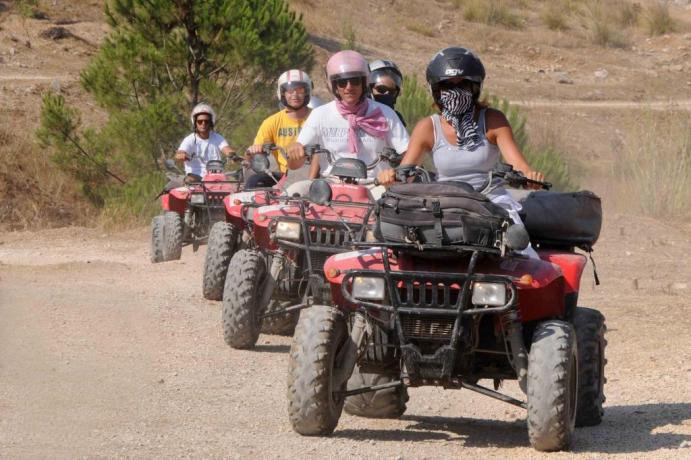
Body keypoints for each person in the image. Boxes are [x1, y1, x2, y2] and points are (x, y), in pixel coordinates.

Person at [376, 46, 544, 257]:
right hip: (445, 205)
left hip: (492, 202)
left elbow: (519, 165)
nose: (455, 92)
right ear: (436, 90)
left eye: (463, 84)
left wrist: (529, 176)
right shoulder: (428, 127)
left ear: (475, 87)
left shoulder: (492, 120)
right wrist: (391, 177)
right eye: (447, 85)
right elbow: (406, 173)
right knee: (391, 255)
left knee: (527, 259)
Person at [286, 50, 409, 197]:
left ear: (364, 82)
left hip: (374, 186)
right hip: (329, 186)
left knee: (390, 208)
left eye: (355, 80)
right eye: (342, 82)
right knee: (292, 194)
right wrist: (295, 151)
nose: (349, 87)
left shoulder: (385, 113)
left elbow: (408, 154)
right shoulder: (320, 114)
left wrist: (393, 174)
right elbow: (294, 165)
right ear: (334, 85)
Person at [246, 69, 320, 187]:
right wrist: (254, 150)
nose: (295, 95)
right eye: (290, 91)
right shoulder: (271, 122)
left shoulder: (319, 117)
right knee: (254, 182)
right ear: (282, 93)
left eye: (300, 90)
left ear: (307, 92)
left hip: (316, 176)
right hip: (284, 176)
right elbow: (250, 157)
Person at [175, 103, 235, 183]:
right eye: (200, 121)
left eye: (206, 121)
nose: (203, 124)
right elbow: (179, 153)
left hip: (216, 176)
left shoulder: (217, 137)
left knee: (234, 182)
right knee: (189, 181)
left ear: (210, 123)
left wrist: (232, 155)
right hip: (195, 177)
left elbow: (226, 149)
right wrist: (181, 155)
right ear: (195, 123)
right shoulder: (189, 139)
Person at [368, 59, 406, 127]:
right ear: (368, 89)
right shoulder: (358, 117)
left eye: (391, 91)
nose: (386, 94)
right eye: (381, 90)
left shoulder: (397, 120)